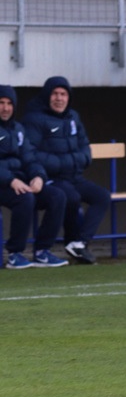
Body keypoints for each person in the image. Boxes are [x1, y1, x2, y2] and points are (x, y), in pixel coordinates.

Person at [23, 76, 110, 264]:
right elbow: (32, 153)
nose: (59, 98)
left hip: (75, 176)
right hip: (49, 178)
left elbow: (85, 148)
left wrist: (78, 160)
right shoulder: (34, 118)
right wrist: (64, 163)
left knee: (102, 196)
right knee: (70, 196)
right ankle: (45, 249)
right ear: (47, 95)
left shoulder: (73, 117)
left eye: (63, 94)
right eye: (55, 94)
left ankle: (79, 243)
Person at [0, 85, 68, 268]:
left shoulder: (18, 129)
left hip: (18, 182)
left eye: (9, 104)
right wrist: (10, 179)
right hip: (4, 183)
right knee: (25, 199)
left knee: (57, 195)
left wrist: (38, 176)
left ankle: (42, 252)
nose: (5, 108)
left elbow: (30, 158)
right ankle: (15, 253)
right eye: (1, 103)